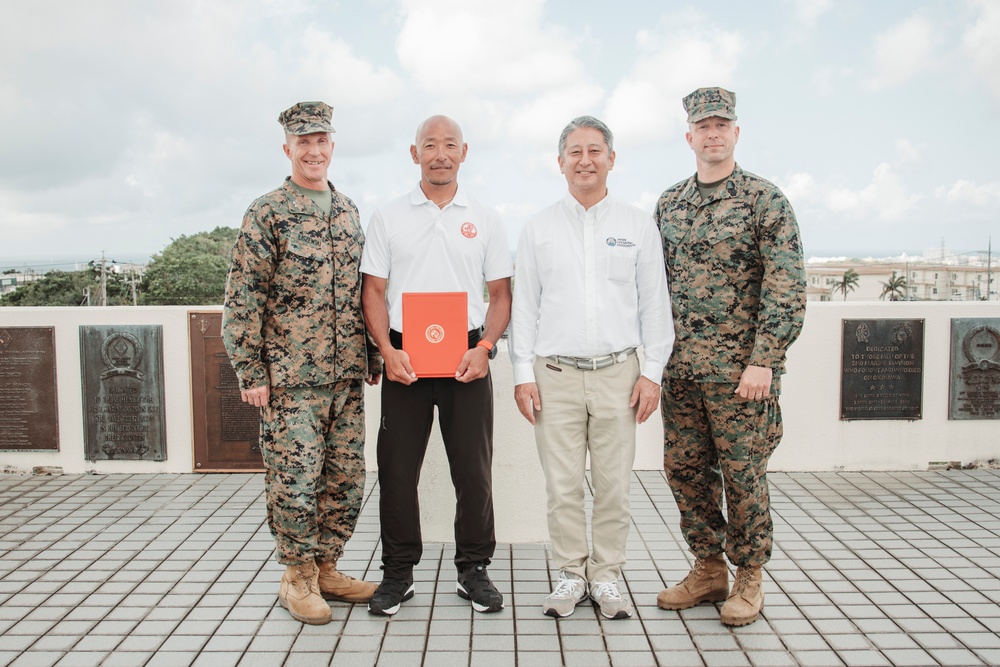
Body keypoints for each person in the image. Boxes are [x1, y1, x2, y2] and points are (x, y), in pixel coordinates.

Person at [223, 101, 382, 625]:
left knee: (344, 477)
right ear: (287, 148)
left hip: (344, 379)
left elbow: (366, 293)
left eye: (321, 140)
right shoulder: (267, 211)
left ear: (332, 146)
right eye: (303, 142)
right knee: (294, 480)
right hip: (291, 382)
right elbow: (244, 297)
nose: (313, 150)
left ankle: (328, 566)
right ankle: (297, 578)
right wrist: (251, 372)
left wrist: (374, 354)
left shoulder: (348, 210)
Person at [510, 116, 674, 620]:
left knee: (613, 486)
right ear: (560, 162)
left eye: (595, 151)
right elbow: (525, 307)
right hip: (553, 375)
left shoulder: (636, 224)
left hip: (619, 375)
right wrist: (522, 374)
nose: (586, 160)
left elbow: (654, 305)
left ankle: (605, 577)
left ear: (611, 159)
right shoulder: (538, 228)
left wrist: (652, 373)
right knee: (562, 485)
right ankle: (569, 575)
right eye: (575, 151)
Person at [655, 88, 807, 626]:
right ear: (690, 136)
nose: (712, 133)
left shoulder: (764, 200)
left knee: (744, 477)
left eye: (721, 124)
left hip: (743, 375)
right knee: (685, 471)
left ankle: (749, 577)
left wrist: (765, 359)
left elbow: (786, 284)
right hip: (682, 373)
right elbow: (652, 288)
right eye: (703, 126)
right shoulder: (670, 204)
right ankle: (708, 568)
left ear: (736, 133)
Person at [360, 115, 513, 616]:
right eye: (431, 145)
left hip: (467, 355)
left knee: (473, 469)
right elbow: (375, 291)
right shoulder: (388, 216)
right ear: (414, 153)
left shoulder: (486, 218)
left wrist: (486, 346)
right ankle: (398, 573)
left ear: (464, 153)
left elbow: (500, 294)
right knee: (398, 469)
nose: (440, 154)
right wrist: (386, 348)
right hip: (405, 355)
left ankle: (474, 570)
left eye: (450, 145)